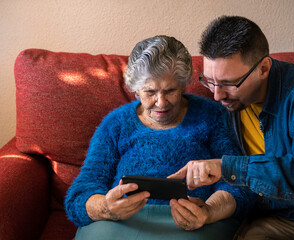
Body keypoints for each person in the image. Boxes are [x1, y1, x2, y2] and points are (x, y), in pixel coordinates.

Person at [169, 16, 294, 239]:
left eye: (230, 83)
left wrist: (230, 168)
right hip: (278, 218)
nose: (217, 94)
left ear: (263, 68)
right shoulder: (224, 108)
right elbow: (238, 187)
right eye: (209, 80)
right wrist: (208, 210)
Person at [64, 35, 255, 240]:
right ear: (135, 89)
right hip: (121, 222)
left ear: (183, 84)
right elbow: (79, 195)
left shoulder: (212, 115)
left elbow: (239, 181)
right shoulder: (115, 124)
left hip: (194, 222)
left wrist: (209, 211)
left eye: (171, 90)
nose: (161, 103)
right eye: (150, 92)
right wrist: (106, 208)